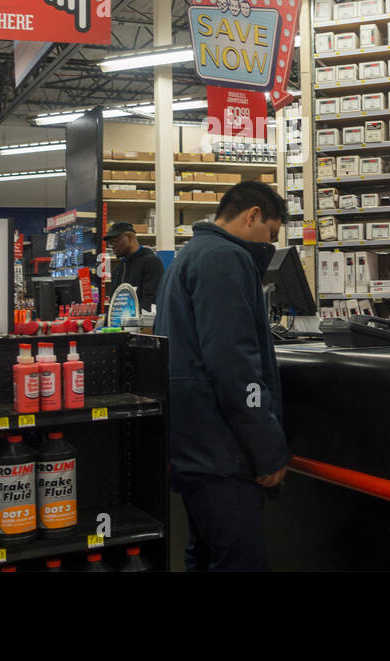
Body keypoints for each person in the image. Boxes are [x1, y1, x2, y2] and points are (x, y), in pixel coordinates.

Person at [154, 181, 291, 571]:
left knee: (205, 553)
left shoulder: (191, 254)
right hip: (221, 452)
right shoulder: (225, 258)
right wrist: (266, 450)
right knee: (238, 561)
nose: (270, 246)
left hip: (196, 446)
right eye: (271, 234)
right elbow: (235, 366)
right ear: (252, 215)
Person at [103, 221, 164, 311]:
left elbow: (151, 301)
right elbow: (114, 304)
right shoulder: (118, 270)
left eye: (115, 241)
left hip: (142, 324)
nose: (112, 246)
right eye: (110, 243)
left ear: (130, 237)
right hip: (118, 324)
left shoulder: (152, 263)